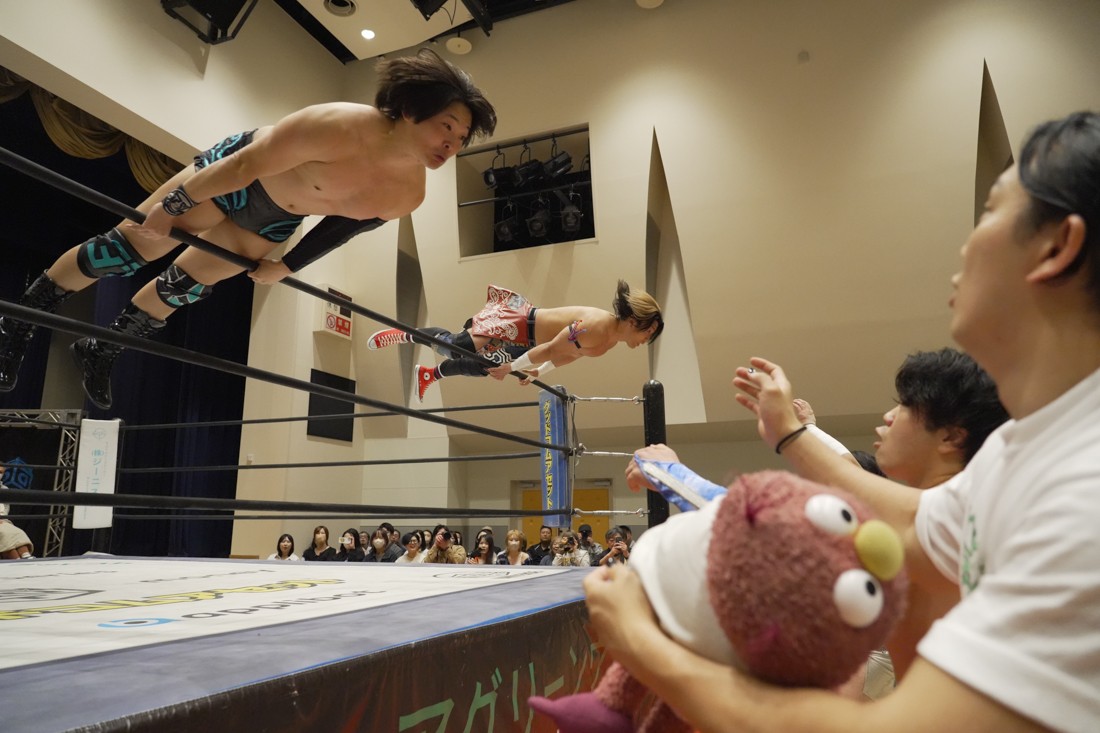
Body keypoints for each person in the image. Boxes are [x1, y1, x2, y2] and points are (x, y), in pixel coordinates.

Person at [591, 111, 1100, 732]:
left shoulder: (1083, 492)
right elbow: (901, 525)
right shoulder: (1022, 449)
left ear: (1056, 247)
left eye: (991, 210)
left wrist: (638, 641)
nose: (967, 243)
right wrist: (788, 435)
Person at [0, 49, 496, 409]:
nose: (451, 143)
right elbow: (246, 164)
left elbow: (341, 228)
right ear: (411, 110)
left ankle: (102, 348)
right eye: (446, 126)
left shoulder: (408, 194)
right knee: (130, 247)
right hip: (233, 178)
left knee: (185, 287)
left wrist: (288, 265)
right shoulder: (337, 124)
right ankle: (19, 322)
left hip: (276, 217)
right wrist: (174, 204)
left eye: (461, 137)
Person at [366, 280, 664, 401]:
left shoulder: (608, 342)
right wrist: (515, 368)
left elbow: (568, 354)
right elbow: (551, 347)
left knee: (482, 367)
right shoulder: (596, 326)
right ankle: (405, 333)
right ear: (634, 321)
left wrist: (538, 372)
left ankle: (431, 374)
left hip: (525, 343)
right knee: (457, 347)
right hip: (517, 322)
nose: (644, 342)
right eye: (647, 334)